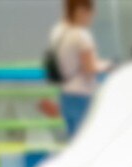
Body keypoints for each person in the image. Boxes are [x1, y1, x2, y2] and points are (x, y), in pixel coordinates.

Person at [47, 0, 109, 136]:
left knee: (73, 141)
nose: (93, 16)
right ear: (82, 11)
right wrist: (108, 66)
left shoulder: (57, 32)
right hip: (83, 96)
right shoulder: (81, 35)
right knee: (86, 142)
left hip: (65, 95)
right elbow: (90, 68)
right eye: (91, 12)